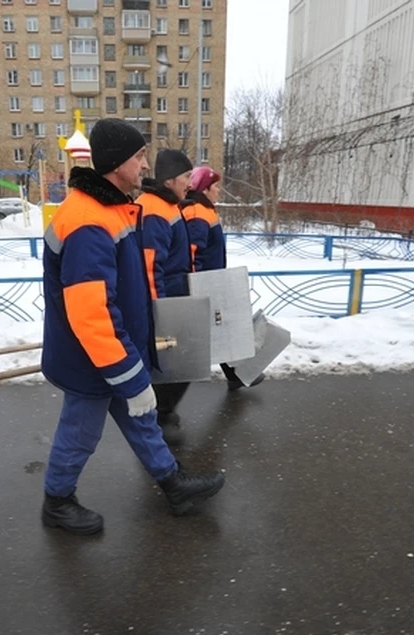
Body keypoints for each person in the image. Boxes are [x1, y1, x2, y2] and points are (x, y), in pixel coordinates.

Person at [40, 119, 225, 536]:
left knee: (142, 420)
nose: (145, 166)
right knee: (81, 433)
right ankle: (57, 501)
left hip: (112, 350)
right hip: (92, 358)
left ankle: (174, 486)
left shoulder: (108, 208)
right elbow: (92, 314)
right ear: (116, 162)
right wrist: (127, 372)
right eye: (139, 156)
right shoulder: (88, 220)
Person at [181, 166, 265, 391]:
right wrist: (195, 286)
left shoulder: (205, 210)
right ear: (205, 189)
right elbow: (192, 252)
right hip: (205, 284)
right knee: (208, 333)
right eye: (216, 186)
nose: (219, 190)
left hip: (212, 281)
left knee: (219, 329)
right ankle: (167, 399)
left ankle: (235, 375)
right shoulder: (198, 212)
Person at [136, 149, 195, 446]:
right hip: (165, 300)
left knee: (180, 358)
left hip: (175, 295)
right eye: (186, 176)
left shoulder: (166, 204)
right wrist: (159, 313)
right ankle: (159, 415)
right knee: (174, 358)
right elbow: (149, 265)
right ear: (170, 179)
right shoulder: (155, 209)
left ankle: (164, 412)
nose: (190, 182)